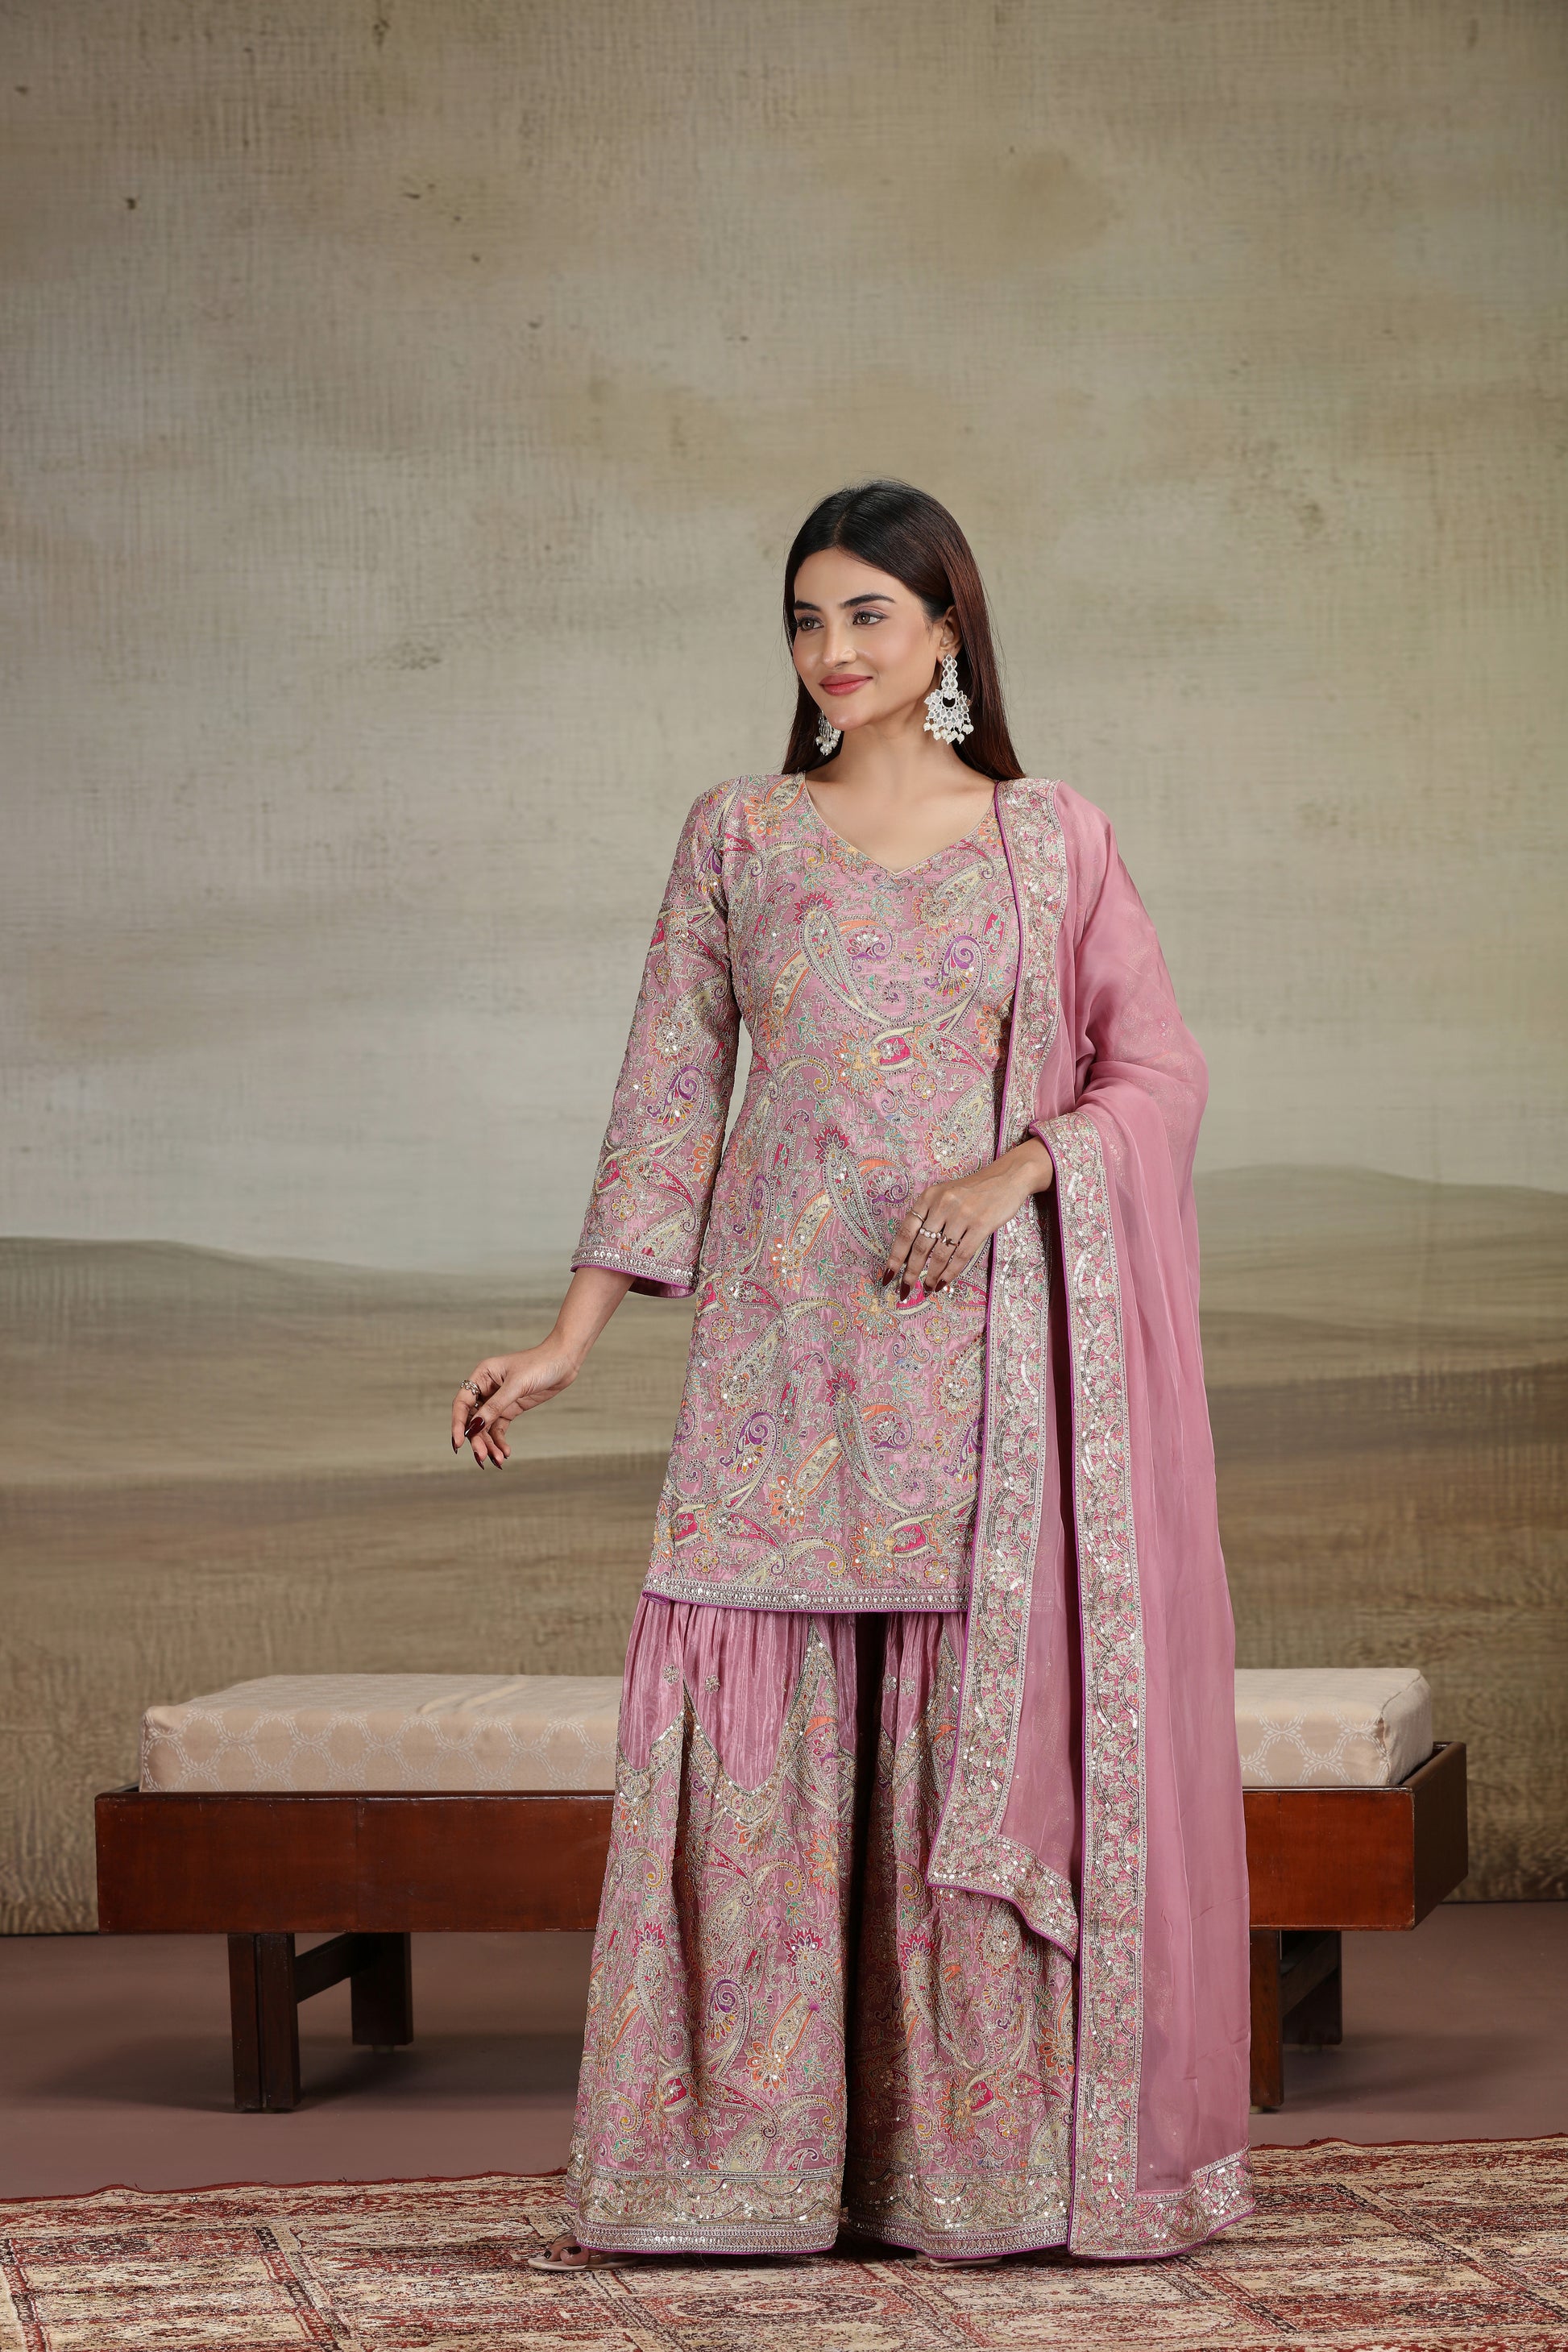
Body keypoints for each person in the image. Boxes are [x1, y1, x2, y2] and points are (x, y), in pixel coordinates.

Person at [452, 480, 1252, 2267]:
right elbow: (668, 1098)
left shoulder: (1053, 841)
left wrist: (1013, 1166)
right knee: (761, 1730)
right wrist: (571, 1337)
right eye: (807, 620)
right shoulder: (738, 834)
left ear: (948, 631)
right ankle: (731, 2168)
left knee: (965, 1731)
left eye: (868, 617)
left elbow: (1159, 1074)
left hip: (984, 1377)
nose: (832, 653)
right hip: (774, 1363)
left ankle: (973, 2171)